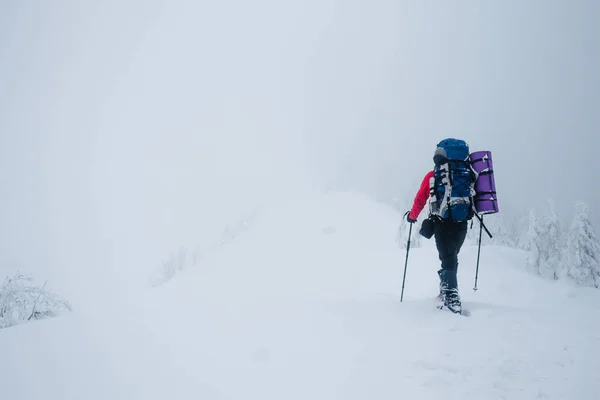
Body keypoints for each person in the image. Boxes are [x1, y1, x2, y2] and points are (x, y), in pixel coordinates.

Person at [406, 143, 470, 314]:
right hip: (462, 223)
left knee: (447, 257)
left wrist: (412, 216)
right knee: (451, 256)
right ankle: (445, 291)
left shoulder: (432, 175)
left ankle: (451, 297)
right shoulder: (467, 174)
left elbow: (420, 199)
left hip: (441, 222)